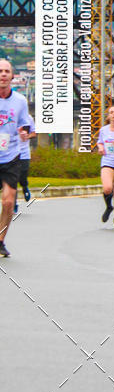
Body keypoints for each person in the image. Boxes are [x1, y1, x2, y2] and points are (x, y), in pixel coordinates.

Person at [0, 60, 32, 257]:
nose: (3, 74)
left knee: (9, 202)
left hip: (11, 156)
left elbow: (25, 124)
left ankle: (1, 239)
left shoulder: (20, 101)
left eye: (6, 71)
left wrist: (24, 133)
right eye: (0, 71)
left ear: (12, 76)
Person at [15, 112, 36, 213]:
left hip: (24, 153)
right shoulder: (9, 117)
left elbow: (34, 133)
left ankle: (25, 187)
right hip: (11, 153)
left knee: (23, 175)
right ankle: (13, 204)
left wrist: (27, 136)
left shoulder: (28, 118)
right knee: (12, 179)